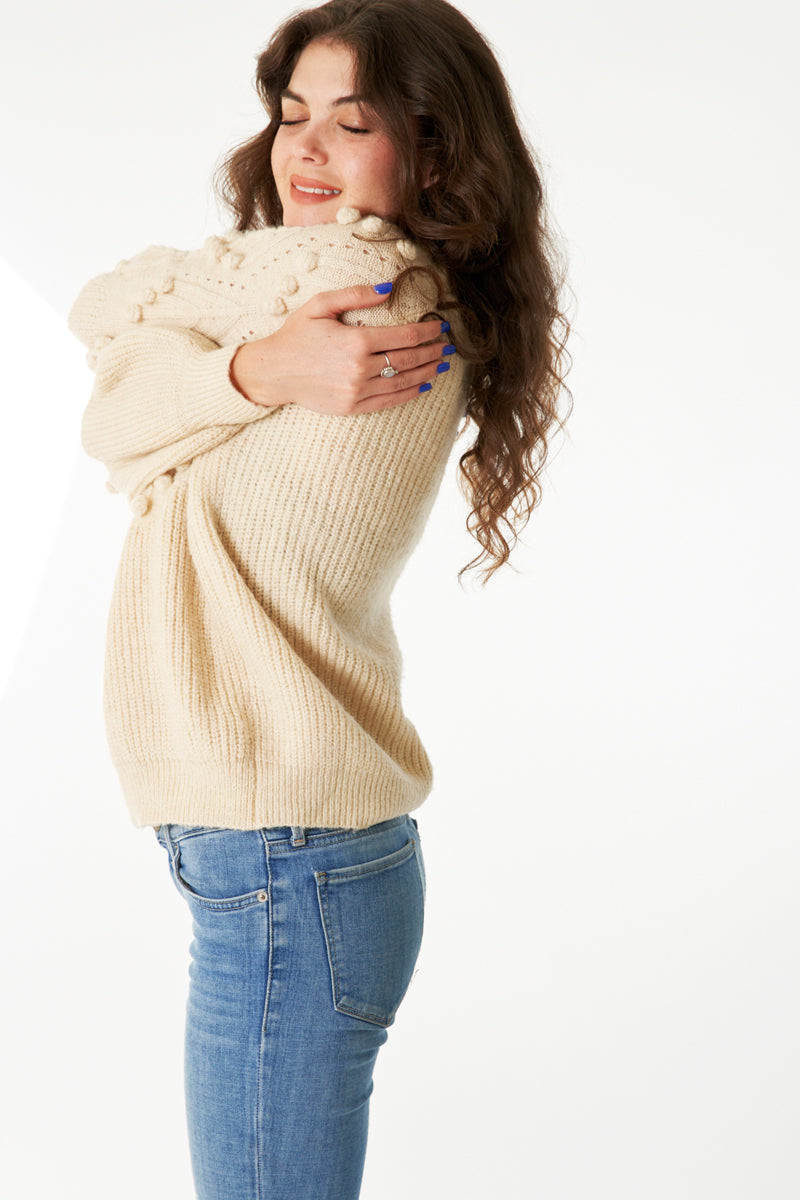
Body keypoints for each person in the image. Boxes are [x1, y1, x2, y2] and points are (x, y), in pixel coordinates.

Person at [67, 1, 572, 1197]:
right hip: (284, 838)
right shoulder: (280, 305)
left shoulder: (364, 291)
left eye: (353, 124)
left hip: (287, 842)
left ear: (435, 151)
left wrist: (205, 373)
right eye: (291, 115)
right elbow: (120, 407)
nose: (304, 152)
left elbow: (122, 379)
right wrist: (249, 368)